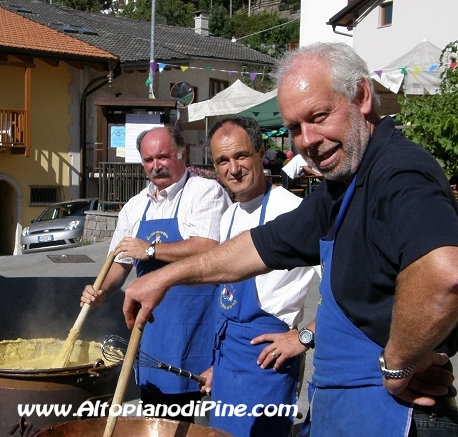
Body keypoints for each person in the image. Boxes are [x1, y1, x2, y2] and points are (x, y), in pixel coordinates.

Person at [122, 42, 458, 436]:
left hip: (393, 416)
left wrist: (398, 364)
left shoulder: (397, 171)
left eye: (319, 117)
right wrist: (164, 277)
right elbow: (258, 246)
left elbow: (444, 273)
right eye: (295, 128)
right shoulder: (343, 187)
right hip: (341, 405)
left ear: (362, 96)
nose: (308, 140)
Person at [80, 125, 230, 422]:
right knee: (158, 425)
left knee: (200, 427)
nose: (156, 166)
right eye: (148, 160)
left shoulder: (205, 192)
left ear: (181, 154)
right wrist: (101, 292)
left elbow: (207, 246)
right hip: (154, 336)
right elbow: (119, 263)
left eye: (163, 156)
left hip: (199, 333)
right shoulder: (134, 207)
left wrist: (150, 250)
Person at [203, 115, 319, 436]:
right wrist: (216, 365)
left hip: (267, 367)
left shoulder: (295, 211)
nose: (233, 168)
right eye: (222, 160)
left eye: (241, 155)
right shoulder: (229, 214)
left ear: (261, 152)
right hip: (227, 365)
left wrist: (304, 336)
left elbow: (348, 292)